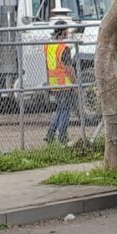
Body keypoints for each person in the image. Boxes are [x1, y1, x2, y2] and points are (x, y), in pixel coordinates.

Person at [44, 13, 77, 143]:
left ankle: (50, 134)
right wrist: (75, 84)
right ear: (63, 32)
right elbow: (69, 68)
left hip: (54, 84)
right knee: (65, 110)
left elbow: (47, 66)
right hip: (65, 84)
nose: (68, 33)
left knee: (59, 109)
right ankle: (62, 136)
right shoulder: (64, 48)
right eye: (66, 31)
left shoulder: (48, 47)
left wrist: (48, 83)